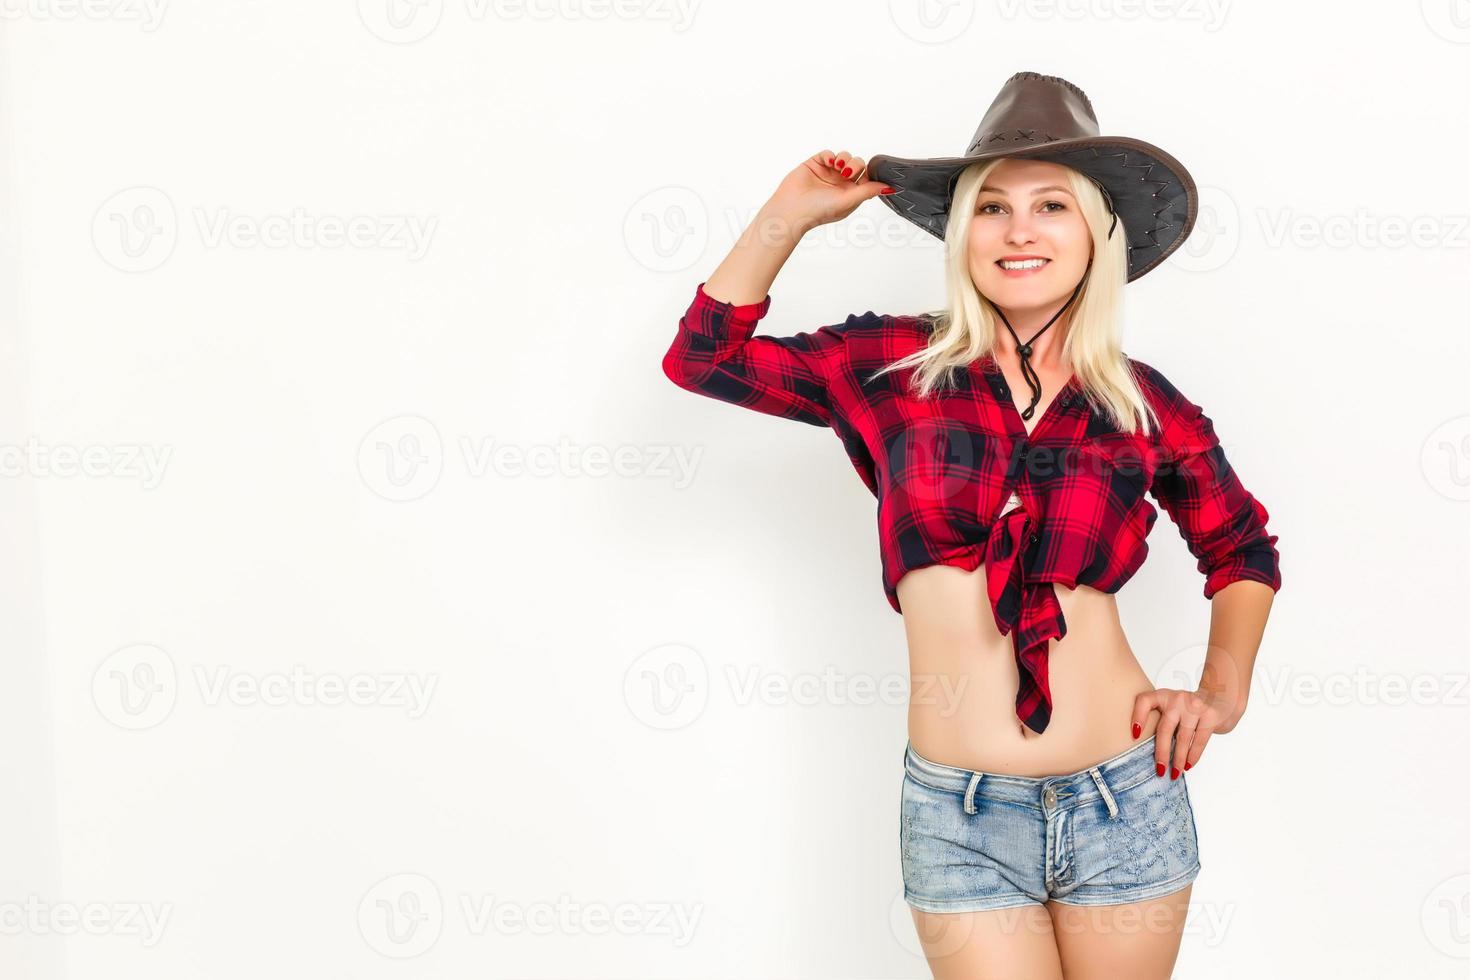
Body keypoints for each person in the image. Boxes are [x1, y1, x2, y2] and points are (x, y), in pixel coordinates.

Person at [660, 71, 1280, 979]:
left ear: (1097, 234)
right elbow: (702, 360)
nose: (1018, 229)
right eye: (989, 207)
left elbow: (1241, 550)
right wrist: (787, 214)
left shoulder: (1148, 405)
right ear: (961, 236)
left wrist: (1222, 693)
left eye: (1050, 205)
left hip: (1125, 794)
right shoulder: (887, 365)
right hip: (959, 812)